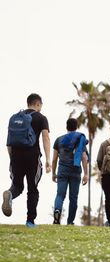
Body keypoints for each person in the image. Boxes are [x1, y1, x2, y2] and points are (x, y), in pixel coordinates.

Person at [2, 93, 51, 228]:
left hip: (16, 155)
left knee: (17, 185)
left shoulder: (15, 118)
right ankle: (30, 221)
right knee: (32, 188)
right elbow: (45, 137)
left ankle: (10, 194)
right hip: (32, 156)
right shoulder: (41, 118)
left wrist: (12, 158)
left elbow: (9, 142)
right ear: (37, 104)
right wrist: (48, 160)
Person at [52, 118, 88, 225]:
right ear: (76, 127)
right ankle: (70, 221)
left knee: (60, 195)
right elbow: (84, 157)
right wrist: (86, 173)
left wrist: (53, 173)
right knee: (73, 198)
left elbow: (54, 159)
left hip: (62, 170)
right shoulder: (80, 139)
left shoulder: (59, 140)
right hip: (75, 171)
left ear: (66, 126)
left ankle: (57, 211)